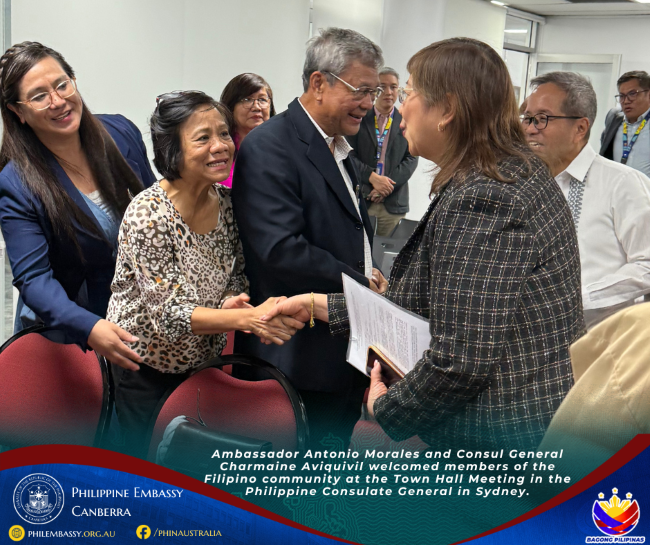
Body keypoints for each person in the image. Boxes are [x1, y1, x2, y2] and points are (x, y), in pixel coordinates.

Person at [263, 38, 584, 451]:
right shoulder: (503, 173)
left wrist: (387, 409)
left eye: (409, 93)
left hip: (497, 440)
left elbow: (461, 360)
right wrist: (318, 306)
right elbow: (437, 301)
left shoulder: (487, 196)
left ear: (447, 110)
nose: (399, 108)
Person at [106, 91, 303, 458]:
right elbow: (170, 316)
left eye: (224, 133)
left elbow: (235, 273)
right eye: (203, 138)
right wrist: (247, 319)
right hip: (145, 365)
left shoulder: (226, 203)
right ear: (172, 150)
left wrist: (232, 301)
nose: (221, 146)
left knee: (186, 458)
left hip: (199, 361)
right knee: (144, 463)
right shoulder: (149, 215)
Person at [231, 28, 387, 449]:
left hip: (340, 348)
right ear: (319, 83)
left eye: (373, 92)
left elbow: (347, 227)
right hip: (296, 358)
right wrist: (362, 284)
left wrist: (370, 269)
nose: (369, 104)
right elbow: (281, 249)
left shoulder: (340, 147)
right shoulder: (270, 146)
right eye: (361, 90)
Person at [0, 41, 155, 366]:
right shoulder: (16, 182)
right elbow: (34, 280)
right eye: (39, 96)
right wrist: (90, 327)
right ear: (17, 111)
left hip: (140, 318)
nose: (58, 101)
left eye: (62, 85)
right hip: (69, 331)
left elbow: (158, 211)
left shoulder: (121, 132)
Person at [524, 72, 650, 329]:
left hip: (600, 339)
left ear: (580, 128)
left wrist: (581, 298)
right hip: (532, 336)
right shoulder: (524, 184)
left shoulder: (622, 183)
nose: (530, 129)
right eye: (527, 118)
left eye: (542, 118)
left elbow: (646, 264)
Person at [346, 67, 418, 236]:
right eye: (382, 87)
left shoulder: (407, 120)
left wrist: (386, 186)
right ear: (374, 90)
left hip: (393, 204)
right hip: (363, 199)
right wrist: (372, 177)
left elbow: (411, 158)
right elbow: (348, 153)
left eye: (393, 87)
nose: (388, 92)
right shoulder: (359, 117)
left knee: (389, 251)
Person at [219, 73, 275, 187]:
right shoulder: (219, 148)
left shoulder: (282, 147)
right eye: (247, 100)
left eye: (262, 99)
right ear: (231, 106)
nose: (256, 107)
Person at [600, 70, 650, 178]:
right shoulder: (613, 118)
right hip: (616, 187)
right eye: (622, 96)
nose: (626, 101)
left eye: (632, 94)